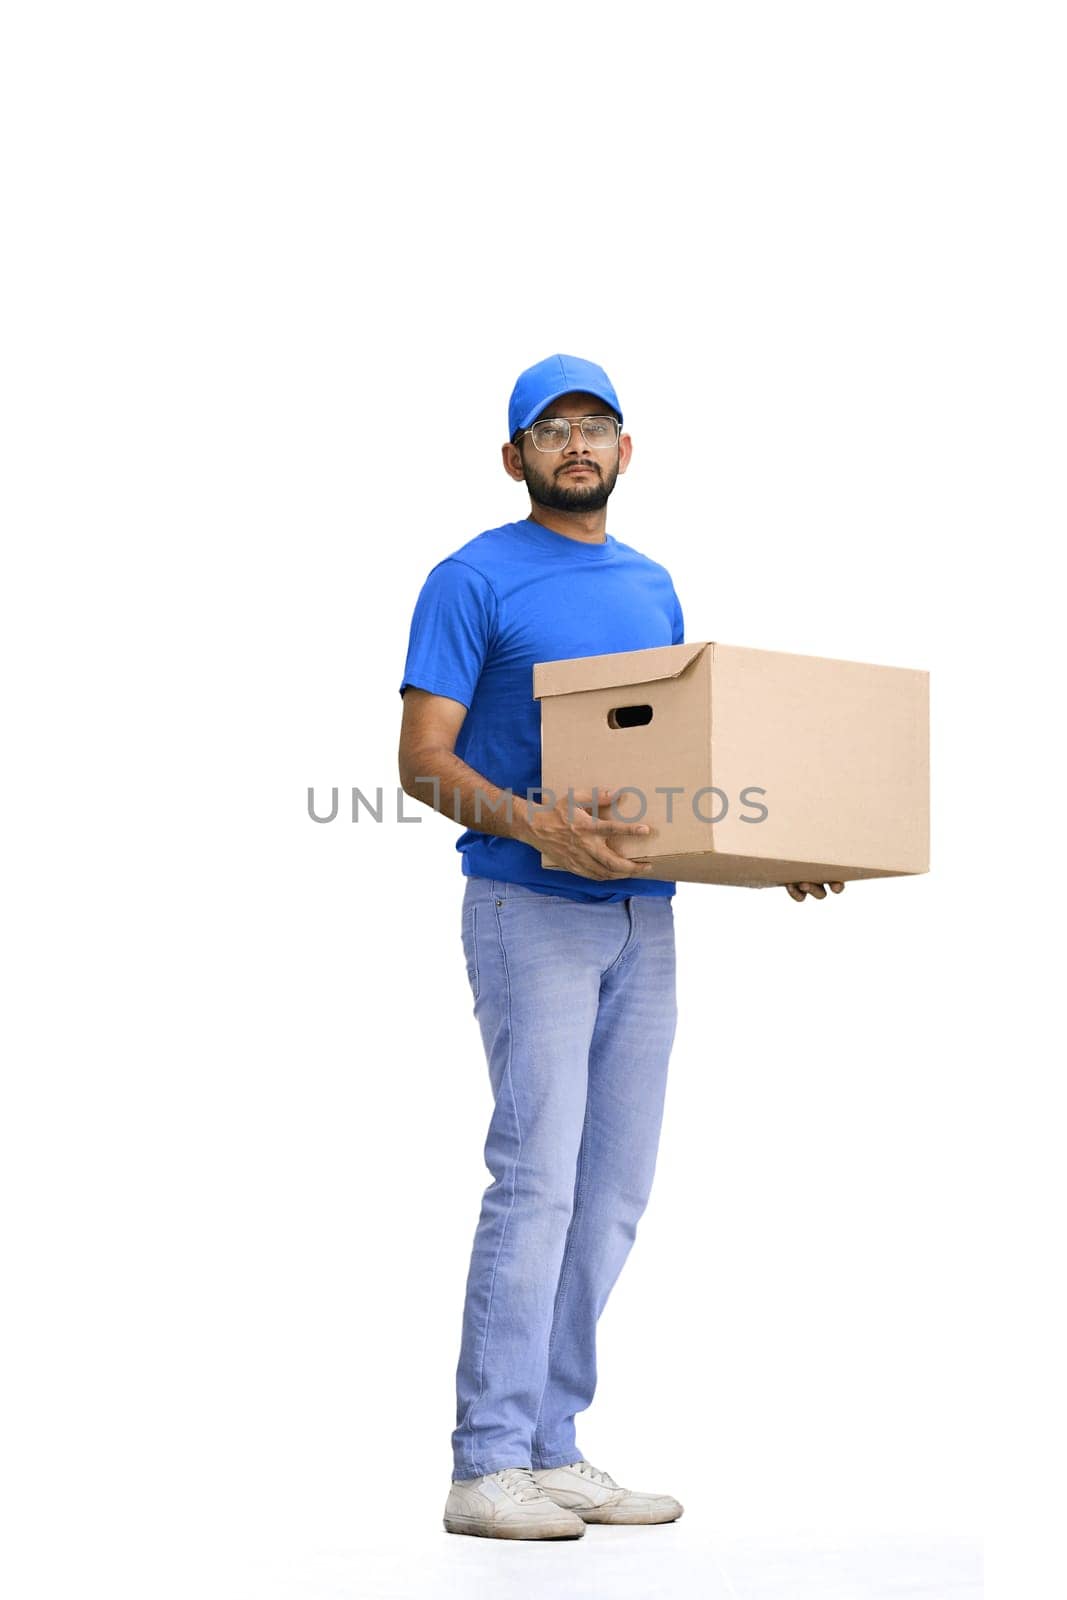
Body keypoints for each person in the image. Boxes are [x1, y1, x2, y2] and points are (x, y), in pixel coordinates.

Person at [397, 354, 844, 1541]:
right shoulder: (468, 578)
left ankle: (552, 1443)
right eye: (551, 430)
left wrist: (776, 840)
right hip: (525, 908)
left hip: (645, 917)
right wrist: (536, 820)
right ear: (515, 458)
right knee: (536, 1180)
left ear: (626, 450)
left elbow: (677, 765)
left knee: (610, 1194)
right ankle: (483, 1459)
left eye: (595, 425)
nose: (575, 444)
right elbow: (421, 760)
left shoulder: (651, 587)